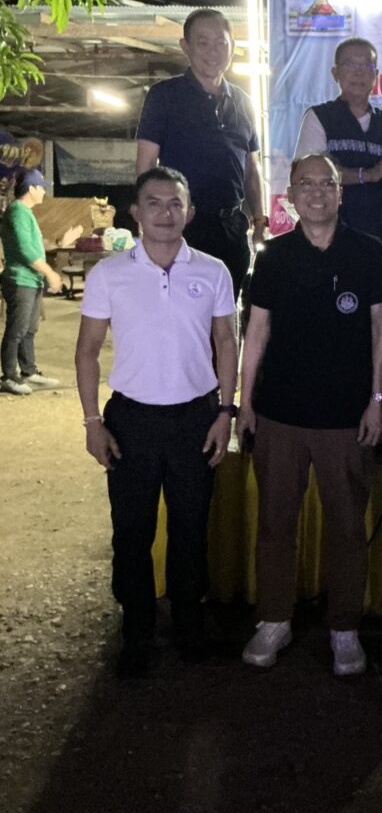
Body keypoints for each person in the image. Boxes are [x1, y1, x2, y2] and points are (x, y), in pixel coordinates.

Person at [75, 167, 238, 678]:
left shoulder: (213, 270)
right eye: (154, 202)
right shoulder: (109, 274)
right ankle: (137, 631)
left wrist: (225, 412)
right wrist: (92, 422)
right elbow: (87, 351)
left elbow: (226, 342)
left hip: (196, 417)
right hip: (131, 420)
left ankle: (189, 624)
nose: (165, 213)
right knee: (132, 531)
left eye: (175, 204)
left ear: (190, 212)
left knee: (191, 528)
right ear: (135, 212)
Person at [236, 153, 382, 676]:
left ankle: (344, 628)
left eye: (327, 183)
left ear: (340, 193)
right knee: (275, 523)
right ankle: (274, 619)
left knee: (347, 526)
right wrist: (245, 402)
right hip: (279, 414)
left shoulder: (369, 251)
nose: (318, 193)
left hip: (346, 418)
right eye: (306, 184)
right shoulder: (274, 256)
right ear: (290, 196)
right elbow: (256, 331)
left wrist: (377, 401)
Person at [136, 8, 267, 299]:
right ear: (185, 47)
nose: (213, 51)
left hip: (232, 230)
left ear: (233, 45)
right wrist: (149, 227)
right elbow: (145, 165)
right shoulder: (164, 96)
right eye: (203, 42)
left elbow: (252, 169)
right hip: (181, 228)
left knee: (227, 310)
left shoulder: (244, 102)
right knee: (182, 312)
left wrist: (259, 220)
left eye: (221, 42)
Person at [293, 37, 382, 259]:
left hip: (381, 233)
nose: (359, 72)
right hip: (332, 235)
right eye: (350, 64)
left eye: (366, 66)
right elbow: (308, 176)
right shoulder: (319, 117)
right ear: (335, 74)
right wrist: (367, 174)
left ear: (376, 75)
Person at [1, 169, 62, 395]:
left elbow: (35, 246)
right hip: (20, 280)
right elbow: (26, 251)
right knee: (16, 329)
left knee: (29, 330)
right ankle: (9, 376)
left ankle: (28, 371)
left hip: (31, 280)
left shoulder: (25, 213)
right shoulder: (17, 211)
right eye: (42, 187)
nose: (44, 191)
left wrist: (61, 242)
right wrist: (50, 273)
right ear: (32, 188)